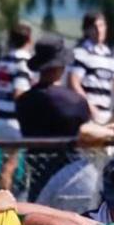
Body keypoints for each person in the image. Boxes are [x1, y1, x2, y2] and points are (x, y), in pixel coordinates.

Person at [15, 35, 91, 202]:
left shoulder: (24, 101)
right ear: (61, 67)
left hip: (37, 172)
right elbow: (86, 123)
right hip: (70, 175)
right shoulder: (74, 101)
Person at [0, 24, 34, 190]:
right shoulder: (24, 62)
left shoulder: (2, 61)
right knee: (10, 166)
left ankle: (0, 194)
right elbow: (20, 92)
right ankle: (4, 200)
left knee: (6, 163)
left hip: (0, 119)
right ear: (29, 40)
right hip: (14, 121)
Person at [67, 11, 114, 124]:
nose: (99, 30)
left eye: (101, 26)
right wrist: (90, 107)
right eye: (94, 27)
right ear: (86, 30)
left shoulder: (110, 56)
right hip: (85, 113)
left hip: (105, 113)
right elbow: (74, 84)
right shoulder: (80, 53)